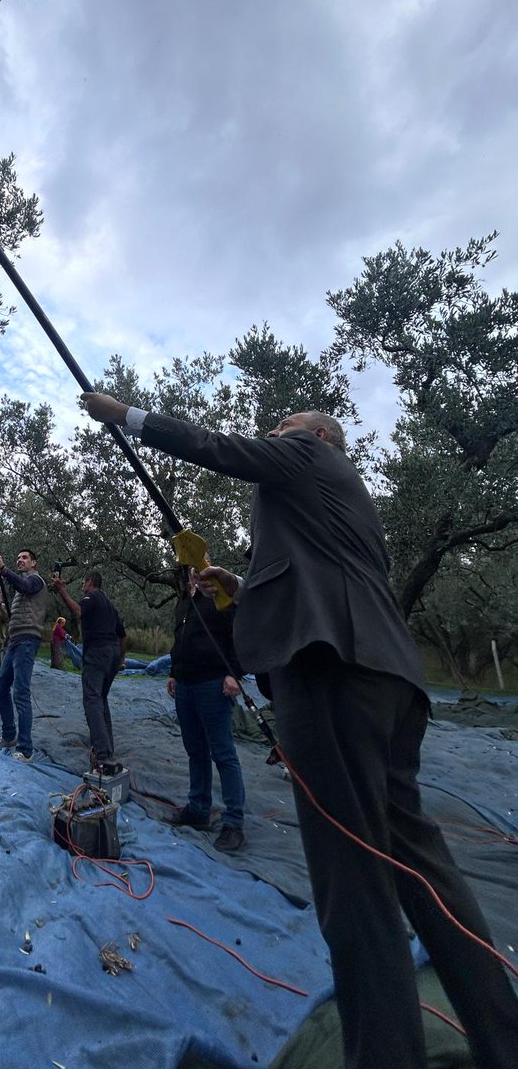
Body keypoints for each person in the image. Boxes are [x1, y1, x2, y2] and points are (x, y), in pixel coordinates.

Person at [80, 392, 518, 1069]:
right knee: (426, 873)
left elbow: (223, 450)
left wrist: (128, 417)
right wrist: (245, 584)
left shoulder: (309, 452)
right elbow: (320, 572)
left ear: (318, 437)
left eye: (281, 426)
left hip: (330, 675)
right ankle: (502, 1038)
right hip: (387, 679)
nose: (273, 433)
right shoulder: (344, 504)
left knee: (354, 886)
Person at [167, 565, 246, 852]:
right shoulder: (184, 604)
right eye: (192, 572)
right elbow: (179, 643)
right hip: (185, 686)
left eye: (201, 569)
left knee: (223, 753)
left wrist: (235, 673)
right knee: (195, 750)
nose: (196, 576)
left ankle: (233, 822)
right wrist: (174, 672)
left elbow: (241, 635)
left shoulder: (221, 598)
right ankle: (199, 809)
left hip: (213, 684)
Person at [51, 570, 127, 771]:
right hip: (112, 654)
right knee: (101, 700)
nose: (82, 586)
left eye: (83, 582)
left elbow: (78, 612)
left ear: (90, 582)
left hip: (97, 652)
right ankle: (108, 750)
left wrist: (62, 591)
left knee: (92, 700)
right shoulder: (110, 606)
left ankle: (102, 756)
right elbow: (122, 635)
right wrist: (121, 659)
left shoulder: (91, 597)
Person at [0, 548, 47, 763]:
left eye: (24, 558)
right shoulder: (20, 589)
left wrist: (4, 569)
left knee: (20, 692)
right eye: (18, 558)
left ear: (34, 563)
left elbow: (23, 585)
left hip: (27, 641)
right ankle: (9, 734)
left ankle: (26, 749)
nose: (20, 560)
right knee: (0, 687)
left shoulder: (36, 580)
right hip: (14, 641)